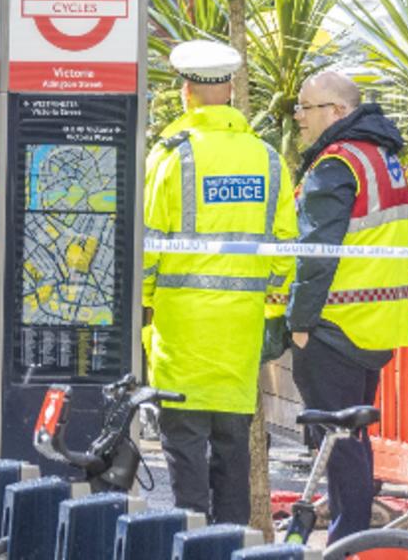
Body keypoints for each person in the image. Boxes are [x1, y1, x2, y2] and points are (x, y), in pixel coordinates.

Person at [143, 39, 295, 527]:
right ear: (230, 91)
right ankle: (232, 545)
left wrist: (145, 304)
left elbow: (148, 247)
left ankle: (191, 544)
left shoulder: (170, 157)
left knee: (184, 454)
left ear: (186, 92)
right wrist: (270, 307)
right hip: (239, 337)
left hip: (181, 336)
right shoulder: (267, 158)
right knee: (233, 456)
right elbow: (284, 248)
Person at [286, 70, 408, 540]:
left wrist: (300, 322)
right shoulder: (383, 157)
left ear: (338, 111)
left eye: (306, 107)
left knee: (339, 443)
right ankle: (354, 537)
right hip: (375, 322)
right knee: (351, 438)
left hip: (334, 323)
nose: (298, 117)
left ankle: (348, 541)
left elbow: (316, 253)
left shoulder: (338, 163)